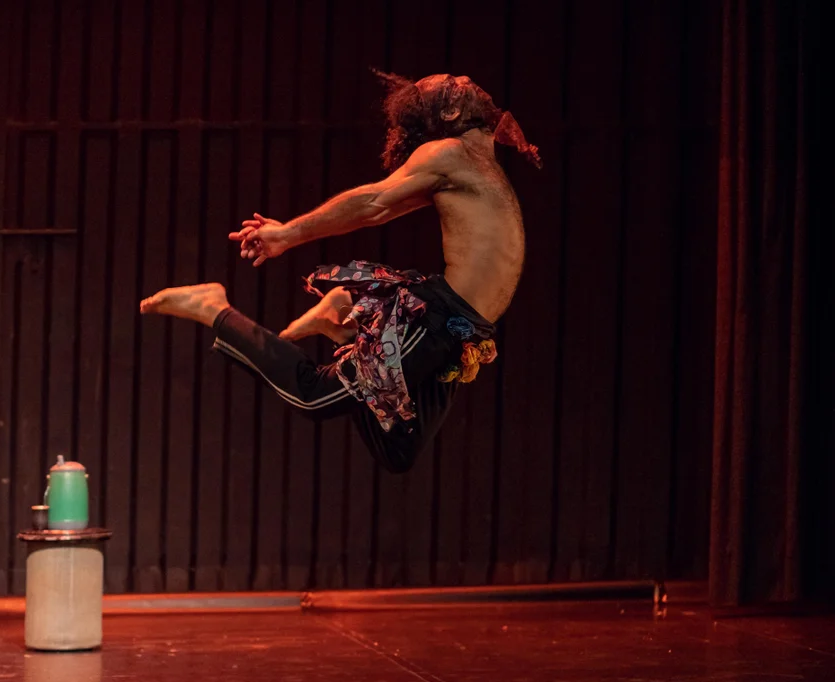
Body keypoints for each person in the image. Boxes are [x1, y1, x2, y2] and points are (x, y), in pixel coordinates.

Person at [139, 72, 541, 473]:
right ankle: (216, 310)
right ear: (451, 112)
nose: (465, 77)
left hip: (462, 330)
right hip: (436, 318)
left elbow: (383, 208)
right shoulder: (450, 154)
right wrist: (287, 234)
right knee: (314, 394)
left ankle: (344, 324)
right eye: (453, 81)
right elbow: (373, 204)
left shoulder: (478, 163)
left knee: (400, 447)